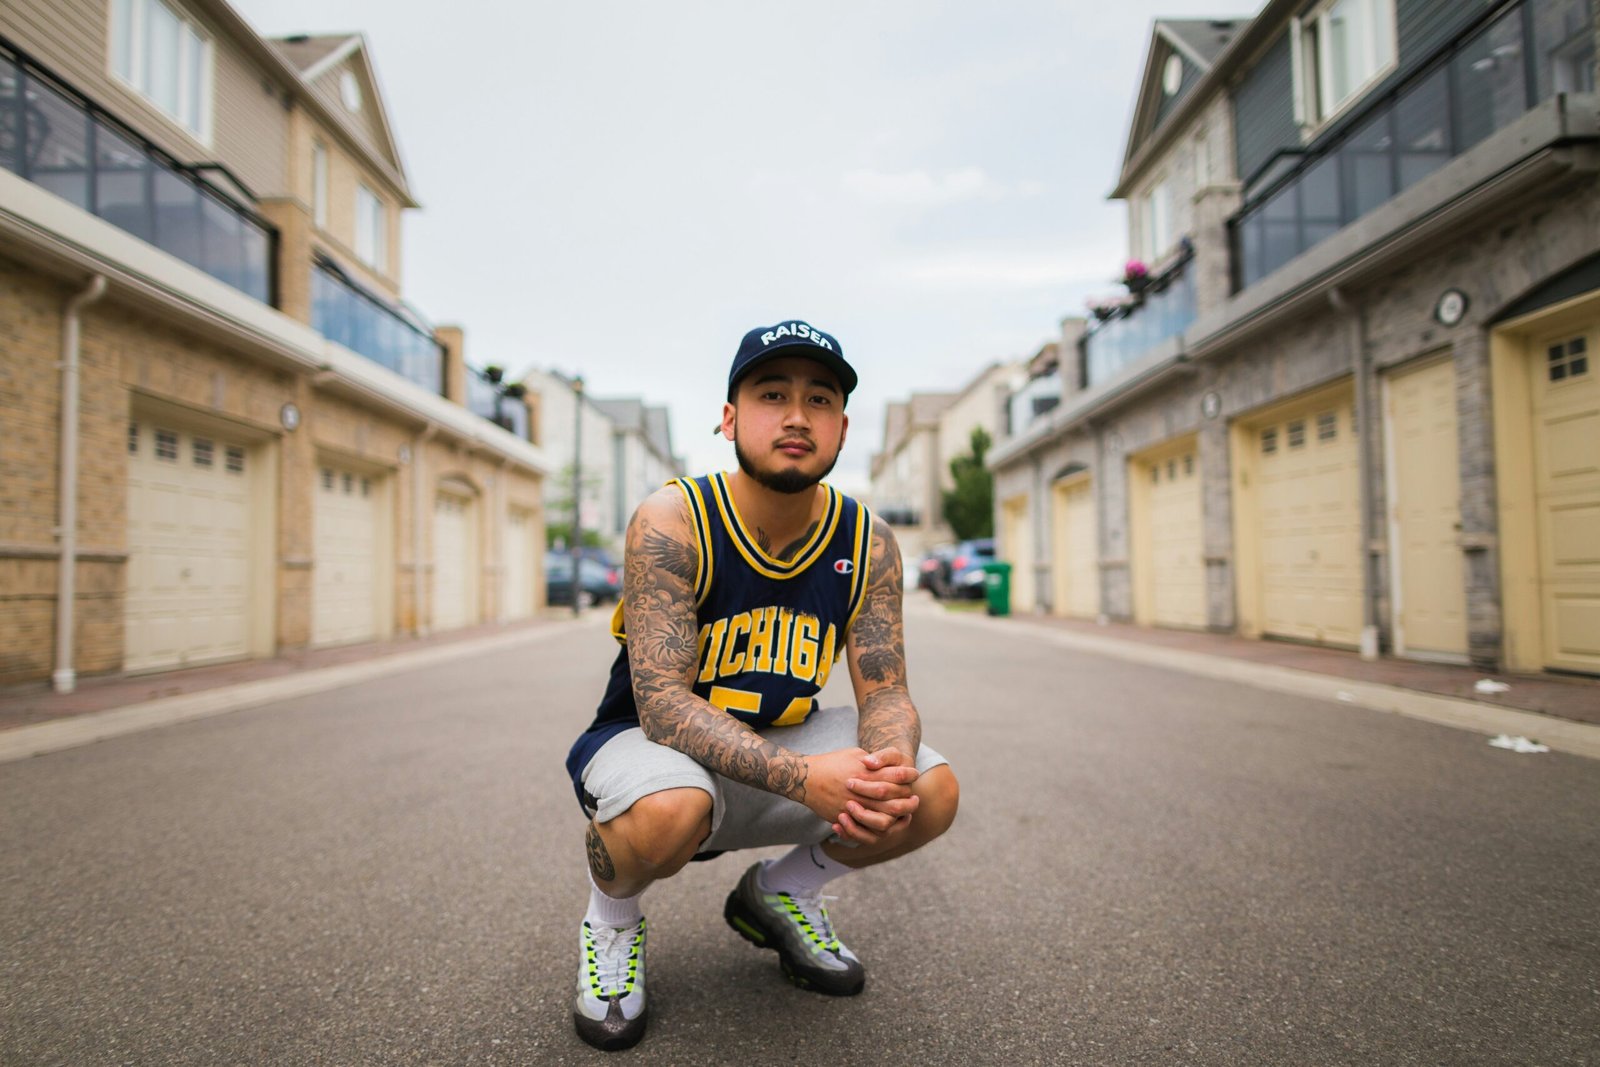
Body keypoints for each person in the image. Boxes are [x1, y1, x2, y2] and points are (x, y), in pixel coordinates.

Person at [563, 319, 961, 1051]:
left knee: (927, 789)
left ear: (842, 426)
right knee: (668, 807)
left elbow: (885, 692)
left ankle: (781, 892)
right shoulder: (674, 517)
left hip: (781, 747)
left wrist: (887, 766)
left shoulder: (867, 538)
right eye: (772, 393)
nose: (796, 415)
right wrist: (805, 777)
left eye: (820, 399)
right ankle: (610, 920)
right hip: (653, 750)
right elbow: (661, 703)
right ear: (728, 417)